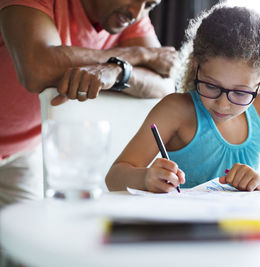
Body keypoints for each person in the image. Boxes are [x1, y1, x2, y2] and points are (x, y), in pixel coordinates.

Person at [105, 4, 260, 193]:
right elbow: (114, 177)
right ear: (195, 68)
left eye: (240, 93)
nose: (223, 104)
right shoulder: (175, 110)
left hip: (240, 231)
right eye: (210, 86)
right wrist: (145, 178)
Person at [0, 0, 177, 208]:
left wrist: (119, 71)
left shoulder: (130, 16)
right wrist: (137, 55)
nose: (136, 13)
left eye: (149, 5)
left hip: (24, 150)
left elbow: (164, 82)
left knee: (25, 239)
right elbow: (37, 68)